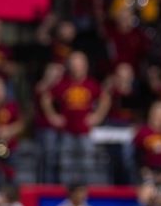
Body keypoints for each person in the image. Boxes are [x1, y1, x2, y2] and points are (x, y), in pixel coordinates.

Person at [40, 52, 111, 185]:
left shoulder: (91, 84)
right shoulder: (63, 84)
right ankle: (66, 193)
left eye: (79, 65)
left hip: (86, 131)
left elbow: (105, 99)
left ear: (85, 66)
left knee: (88, 164)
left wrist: (98, 116)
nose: (77, 68)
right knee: (66, 165)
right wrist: (53, 116)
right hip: (67, 131)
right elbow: (46, 98)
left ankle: (86, 193)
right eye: (74, 65)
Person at [133, 101, 161, 188]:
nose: (160, 118)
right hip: (146, 172)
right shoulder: (142, 133)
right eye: (158, 115)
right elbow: (135, 156)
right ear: (151, 115)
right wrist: (144, 171)